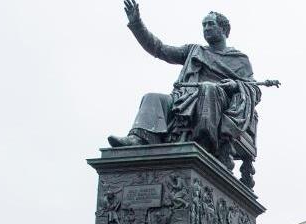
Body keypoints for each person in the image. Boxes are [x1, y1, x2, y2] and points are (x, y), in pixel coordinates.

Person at [109, 0, 260, 170]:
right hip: (185, 98)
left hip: (218, 102)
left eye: (210, 24)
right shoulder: (194, 50)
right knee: (152, 97)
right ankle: (139, 138)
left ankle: (205, 145)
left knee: (208, 88)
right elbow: (159, 49)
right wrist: (137, 24)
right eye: (203, 25)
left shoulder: (240, 59)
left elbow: (253, 89)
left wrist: (235, 85)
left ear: (224, 29)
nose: (206, 28)